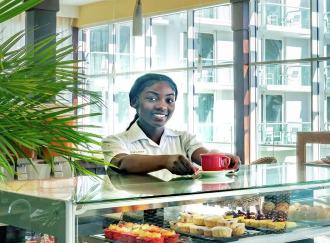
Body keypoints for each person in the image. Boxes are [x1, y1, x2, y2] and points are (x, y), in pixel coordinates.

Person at [103, 73, 241, 175]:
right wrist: (165, 161)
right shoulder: (114, 141)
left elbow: (204, 156)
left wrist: (223, 158)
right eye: (152, 98)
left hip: (180, 207)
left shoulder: (184, 138)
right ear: (134, 102)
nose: (162, 106)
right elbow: (121, 163)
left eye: (169, 100)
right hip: (138, 207)